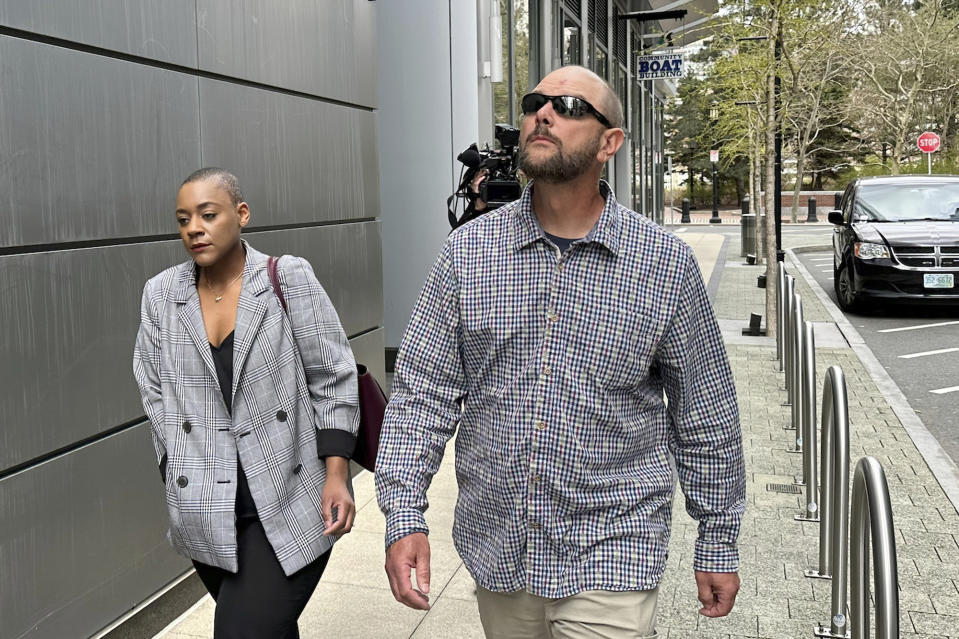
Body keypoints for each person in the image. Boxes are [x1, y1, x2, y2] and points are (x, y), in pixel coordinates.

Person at [376, 65, 746, 638]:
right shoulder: (468, 254)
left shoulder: (662, 265)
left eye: (571, 106)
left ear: (610, 143)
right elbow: (420, 397)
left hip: (613, 549)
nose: (543, 114)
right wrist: (404, 516)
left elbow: (706, 414)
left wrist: (717, 537)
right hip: (500, 550)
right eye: (535, 103)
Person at [133, 168, 359, 638]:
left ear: (241, 214)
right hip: (207, 507)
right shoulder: (161, 295)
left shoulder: (286, 278)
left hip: (289, 498)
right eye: (183, 219)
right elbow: (152, 387)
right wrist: (173, 466)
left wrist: (337, 475)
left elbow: (333, 376)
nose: (194, 228)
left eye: (208, 214)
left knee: (240, 631)